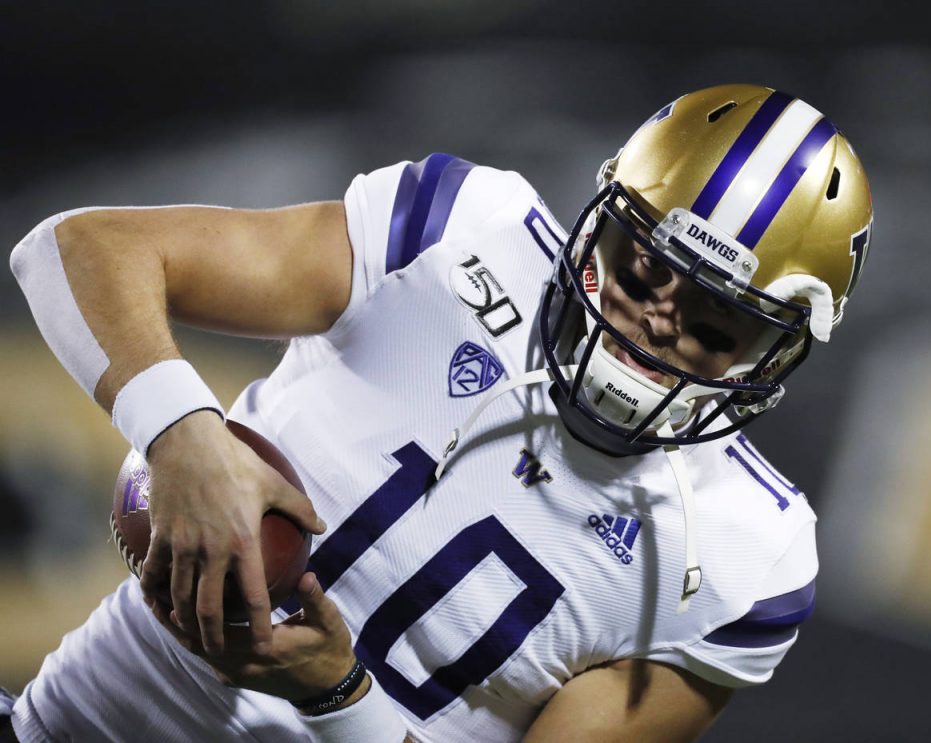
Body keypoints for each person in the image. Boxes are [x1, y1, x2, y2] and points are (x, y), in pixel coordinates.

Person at [5, 83, 872, 742]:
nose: (656, 320)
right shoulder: (459, 235)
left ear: (776, 348)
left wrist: (338, 695)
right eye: (644, 268)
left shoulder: (746, 558)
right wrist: (182, 434)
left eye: (717, 319)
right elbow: (76, 250)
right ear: (601, 220)